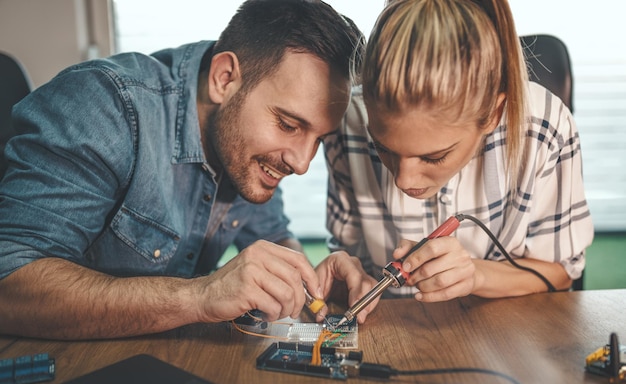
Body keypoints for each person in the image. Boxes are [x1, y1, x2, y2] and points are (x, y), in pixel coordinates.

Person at [0, 0, 378, 340]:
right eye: (288, 125)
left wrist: (310, 282)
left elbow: (273, 234)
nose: (300, 162)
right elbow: (9, 286)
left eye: (318, 139)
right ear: (224, 79)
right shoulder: (102, 107)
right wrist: (202, 296)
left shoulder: (248, 145)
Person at [325, 0, 594, 301]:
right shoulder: (347, 123)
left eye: (433, 156)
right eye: (382, 148)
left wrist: (476, 275)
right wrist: (347, 277)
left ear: (493, 113)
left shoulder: (546, 128)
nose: (403, 180)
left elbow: (562, 273)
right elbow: (349, 264)